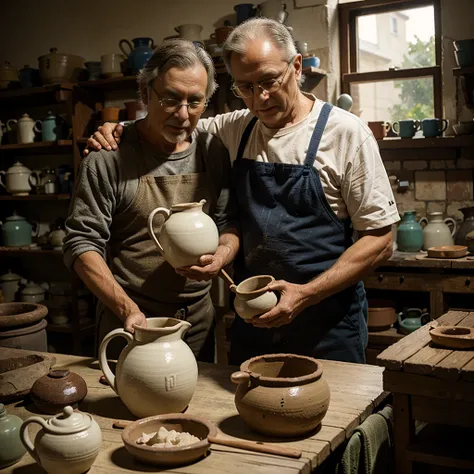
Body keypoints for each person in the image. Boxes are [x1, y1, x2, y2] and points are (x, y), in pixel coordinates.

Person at [86, 18, 399, 365]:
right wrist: (119, 130)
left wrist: (306, 294)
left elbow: (380, 240)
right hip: (254, 319)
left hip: (327, 321)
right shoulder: (235, 127)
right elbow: (172, 122)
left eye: (268, 81)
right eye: (245, 87)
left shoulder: (346, 134)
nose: (259, 99)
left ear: (296, 67)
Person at [64, 39, 240, 362]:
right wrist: (126, 309)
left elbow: (230, 223)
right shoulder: (108, 158)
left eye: (195, 102)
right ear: (146, 94)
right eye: (171, 99)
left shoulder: (213, 151)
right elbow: (80, 244)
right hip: (131, 323)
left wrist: (222, 255)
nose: (183, 114)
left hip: (197, 323)